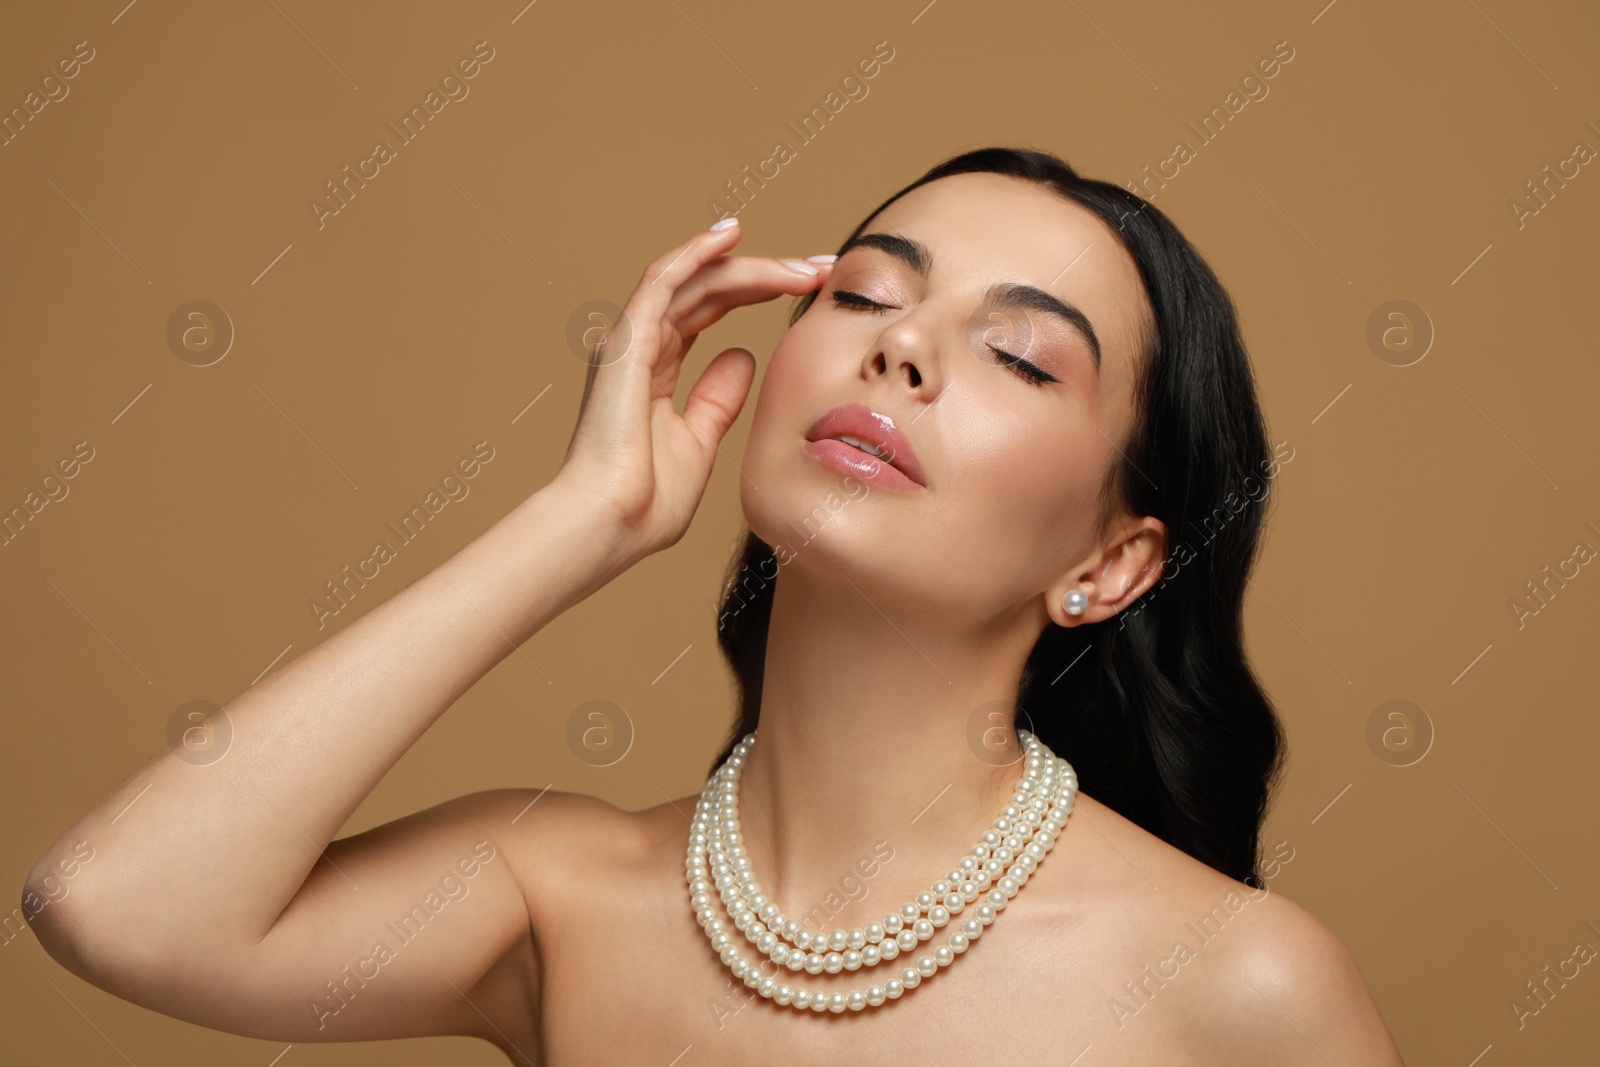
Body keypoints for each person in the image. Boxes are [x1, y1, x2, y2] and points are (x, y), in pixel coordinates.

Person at [23, 146, 1404, 1063]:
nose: (901, 348)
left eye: (1018, 355)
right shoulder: (554, 896)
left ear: (1110, 564)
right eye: (864, 292)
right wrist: (584, 521)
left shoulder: (1244, 990)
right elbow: (116, 908)